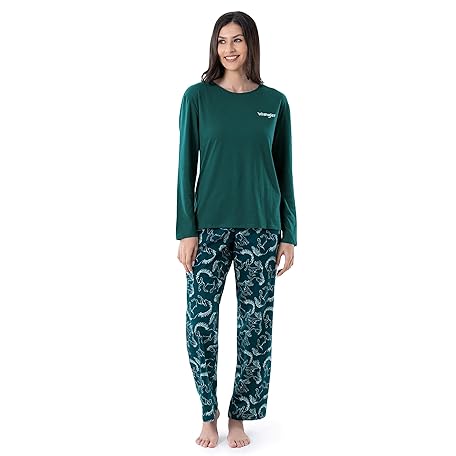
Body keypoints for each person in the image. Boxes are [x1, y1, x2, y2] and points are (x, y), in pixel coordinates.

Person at [176, 11, 297, 448]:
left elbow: (284, 170)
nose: (229, 49)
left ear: (251, 45)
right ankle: (208, 414)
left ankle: (240, 415)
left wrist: (289, 233)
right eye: (222, 40)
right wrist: (185, 229)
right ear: (215, 46)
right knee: (200, 323)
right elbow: (185, 166)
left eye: (238, 40)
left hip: (261, 228)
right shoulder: (197, 98)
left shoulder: (275, 102)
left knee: (255, 327)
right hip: (208, 228)